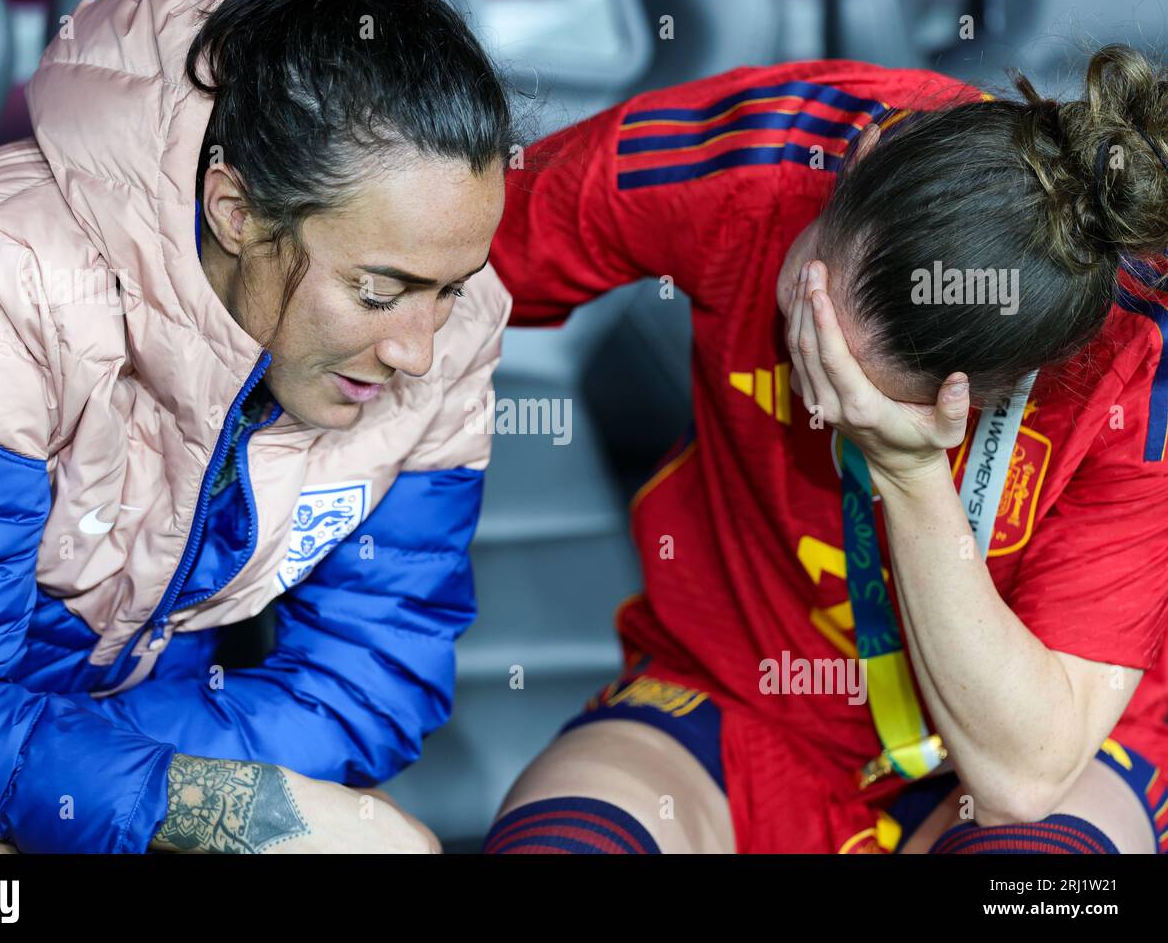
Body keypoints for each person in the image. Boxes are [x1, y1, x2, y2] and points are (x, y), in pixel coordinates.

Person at [0, 0, 517, 853]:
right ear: (236, 211)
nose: (419, 352)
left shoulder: (452, 327)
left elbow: (375, 678)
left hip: (95, 737)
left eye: (450, 288)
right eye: (378, 292)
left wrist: (124, 793)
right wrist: (205, 807)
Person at [484, 46, 1168, 854]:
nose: (820, 384)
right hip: (732, 696)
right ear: (859, 162)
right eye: (808, 303)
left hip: (1034, 743)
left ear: (1006, 383)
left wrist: (910, 472)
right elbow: (442, 253)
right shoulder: (772, 145)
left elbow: (1026, 774)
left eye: (868, 393)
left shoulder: (1138, 358)